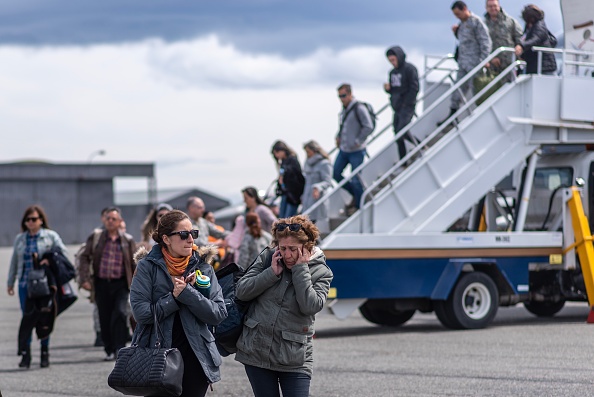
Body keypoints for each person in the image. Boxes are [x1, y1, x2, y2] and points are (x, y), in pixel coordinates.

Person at [130, 210, 227, 397]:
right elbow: (141, 314)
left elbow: (218, 314)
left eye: (193, 234)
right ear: (166, 239)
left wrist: (187, 294)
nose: (191, 239)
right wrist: (173, 299)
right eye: (183, 235)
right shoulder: (147, 267)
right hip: (156, 357)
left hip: (196, 358)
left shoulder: (203, 267)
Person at [235, 215, 333, 397]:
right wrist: (271, 273)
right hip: (257, 353)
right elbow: (241, 291)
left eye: (293, 249)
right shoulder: (267, 257)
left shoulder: (321, 271)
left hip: (294, 357)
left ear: (307, 247)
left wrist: (301, 269)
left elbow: (310, 306)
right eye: (283, 248)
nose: (287, 254)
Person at [7, 205, 67, 369]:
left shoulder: (50, 236)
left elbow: (62, 254)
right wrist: (10, 282)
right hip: (25, 284)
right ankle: (26, 355)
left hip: (44, 285)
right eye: (28, 220)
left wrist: (49, 259)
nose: (31, 222)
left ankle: (44, 352)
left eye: (34, 219)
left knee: (44, 318)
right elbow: (14, 261)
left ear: (41, 220)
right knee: (27, 318)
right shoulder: (21, 239)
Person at [77, 207, 136, 361]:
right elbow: (84, 257)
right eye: (108, 218)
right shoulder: (96, 238)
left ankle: (119, 348)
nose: (110, 221)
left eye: (114, 219)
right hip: (101, 283)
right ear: (104, 220)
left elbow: (134, 263)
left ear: (120, 221)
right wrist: (84, 279)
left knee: (121, 313)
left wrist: (137, 283)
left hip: (121, 284)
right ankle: (108, 348)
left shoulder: (127, 240)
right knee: (105, 317)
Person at [438, 1, 492, 126]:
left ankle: (480, 115)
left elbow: (485, 42)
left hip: (474, 63)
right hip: (463, 63)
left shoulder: (476, 22)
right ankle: (453, 114)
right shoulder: (461, 24)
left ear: (464, 9)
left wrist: (483, 60)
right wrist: (456, 33)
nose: (457, 16)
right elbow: (465, 41)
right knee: (458, 88)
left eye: (458, 13)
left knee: (476, 90)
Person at [334, 83, 373, 212]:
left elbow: (368, 126)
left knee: (356, 179)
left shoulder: (359, 108)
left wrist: (358, 140)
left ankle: (359, 204)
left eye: (344, 95)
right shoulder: (344, 110)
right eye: (340, 96)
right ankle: (356, 196)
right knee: (336, 173)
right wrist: (339, 137)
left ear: (350, 94)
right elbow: (343, 127)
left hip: (356, 150)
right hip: (344, 149)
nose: (342, 99)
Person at [383, 46, 420, 160]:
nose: (392, 63)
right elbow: (394, 90)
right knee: (397, 134)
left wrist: (407, 103)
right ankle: (403, 160)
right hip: (397, 107)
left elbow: (414, 88)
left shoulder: (410, 69)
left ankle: (420, 146)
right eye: (390, 61)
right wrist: (388, 89)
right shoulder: (392, 72)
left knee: (401, 131)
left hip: (407, 106)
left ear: (399, 57)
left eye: (393, 60)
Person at [484, 0, 523, 79]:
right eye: (490, 6)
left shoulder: (510, 21)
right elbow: (481, 44)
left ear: (499, 6)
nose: (493, 8)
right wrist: (491, 58)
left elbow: (520, 37)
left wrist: (519, 46)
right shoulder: (483, 24)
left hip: (509, 64)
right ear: (486, 8)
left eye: (495, 6)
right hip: (492, 67)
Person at [515, 4, 557, 75]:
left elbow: (535, 39)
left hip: (545, 68)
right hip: (534, 66)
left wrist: (522, 46)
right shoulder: (530, 27)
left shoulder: (539, 26)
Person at [271, 140, 305, 219]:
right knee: (282, 218)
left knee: (289, 218)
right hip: (285, 193)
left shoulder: (292, 160)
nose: (277, 156)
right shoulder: (283, 162)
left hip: (293, 195)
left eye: (277, 152)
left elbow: (297, 177)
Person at [301, 140, 333, 222]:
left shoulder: (324, 164)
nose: (307, 154)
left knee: (313, 225)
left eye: (308, 151)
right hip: (306, 200)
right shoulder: (307, 164)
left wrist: (317, 187)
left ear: (314, 150)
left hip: (316, 199)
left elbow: (327, 181)